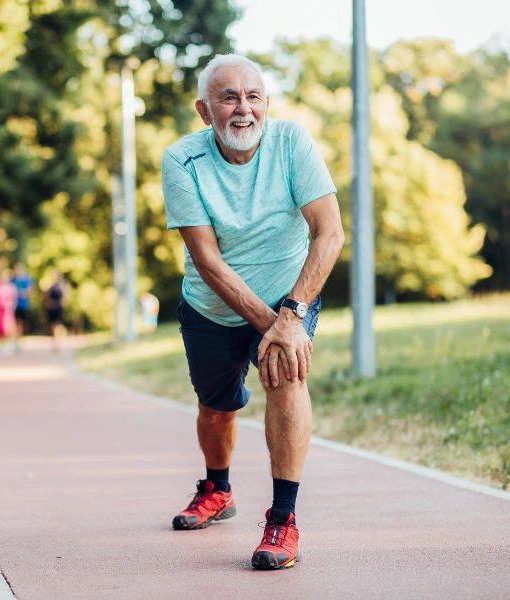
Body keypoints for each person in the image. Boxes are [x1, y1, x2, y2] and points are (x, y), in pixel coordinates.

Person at [161, 54, 344, 570]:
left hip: (290, 293)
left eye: (253, 96)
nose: (244, 109)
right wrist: (275, 325)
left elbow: (329, 233)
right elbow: (207, 260)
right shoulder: (181, 160)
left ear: (266, 103)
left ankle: (283, 519)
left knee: (286, 378)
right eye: (228, 97)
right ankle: (217, 489)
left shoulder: (292, 143)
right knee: (216, 407)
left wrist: (291, 318)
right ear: (204, 111)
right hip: (210, 306)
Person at [0, 269, 18, 344]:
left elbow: (14, 298)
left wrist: (11, 306)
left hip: (7, 311)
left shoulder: (11, 287)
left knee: (8, 327)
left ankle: (10, 344)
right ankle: (1, 345)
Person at [10, 263, 34, 351]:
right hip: (13, 305)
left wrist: (23, 293)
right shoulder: (12, 280)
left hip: (23, 304)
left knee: (21, 323)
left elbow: (31, 290)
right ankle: (15, 340)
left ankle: (19, 340)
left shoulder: (27, 279)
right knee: (14, 323)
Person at [44, 270, 68, 350]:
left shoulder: (62, 286)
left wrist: (61, 304)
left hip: (58, 308)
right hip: (52, 308)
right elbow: (47, 297)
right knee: (52, 325)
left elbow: (65, 297)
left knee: (57, 325)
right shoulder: (51, 287)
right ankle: (54, 341)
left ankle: (58, 341)